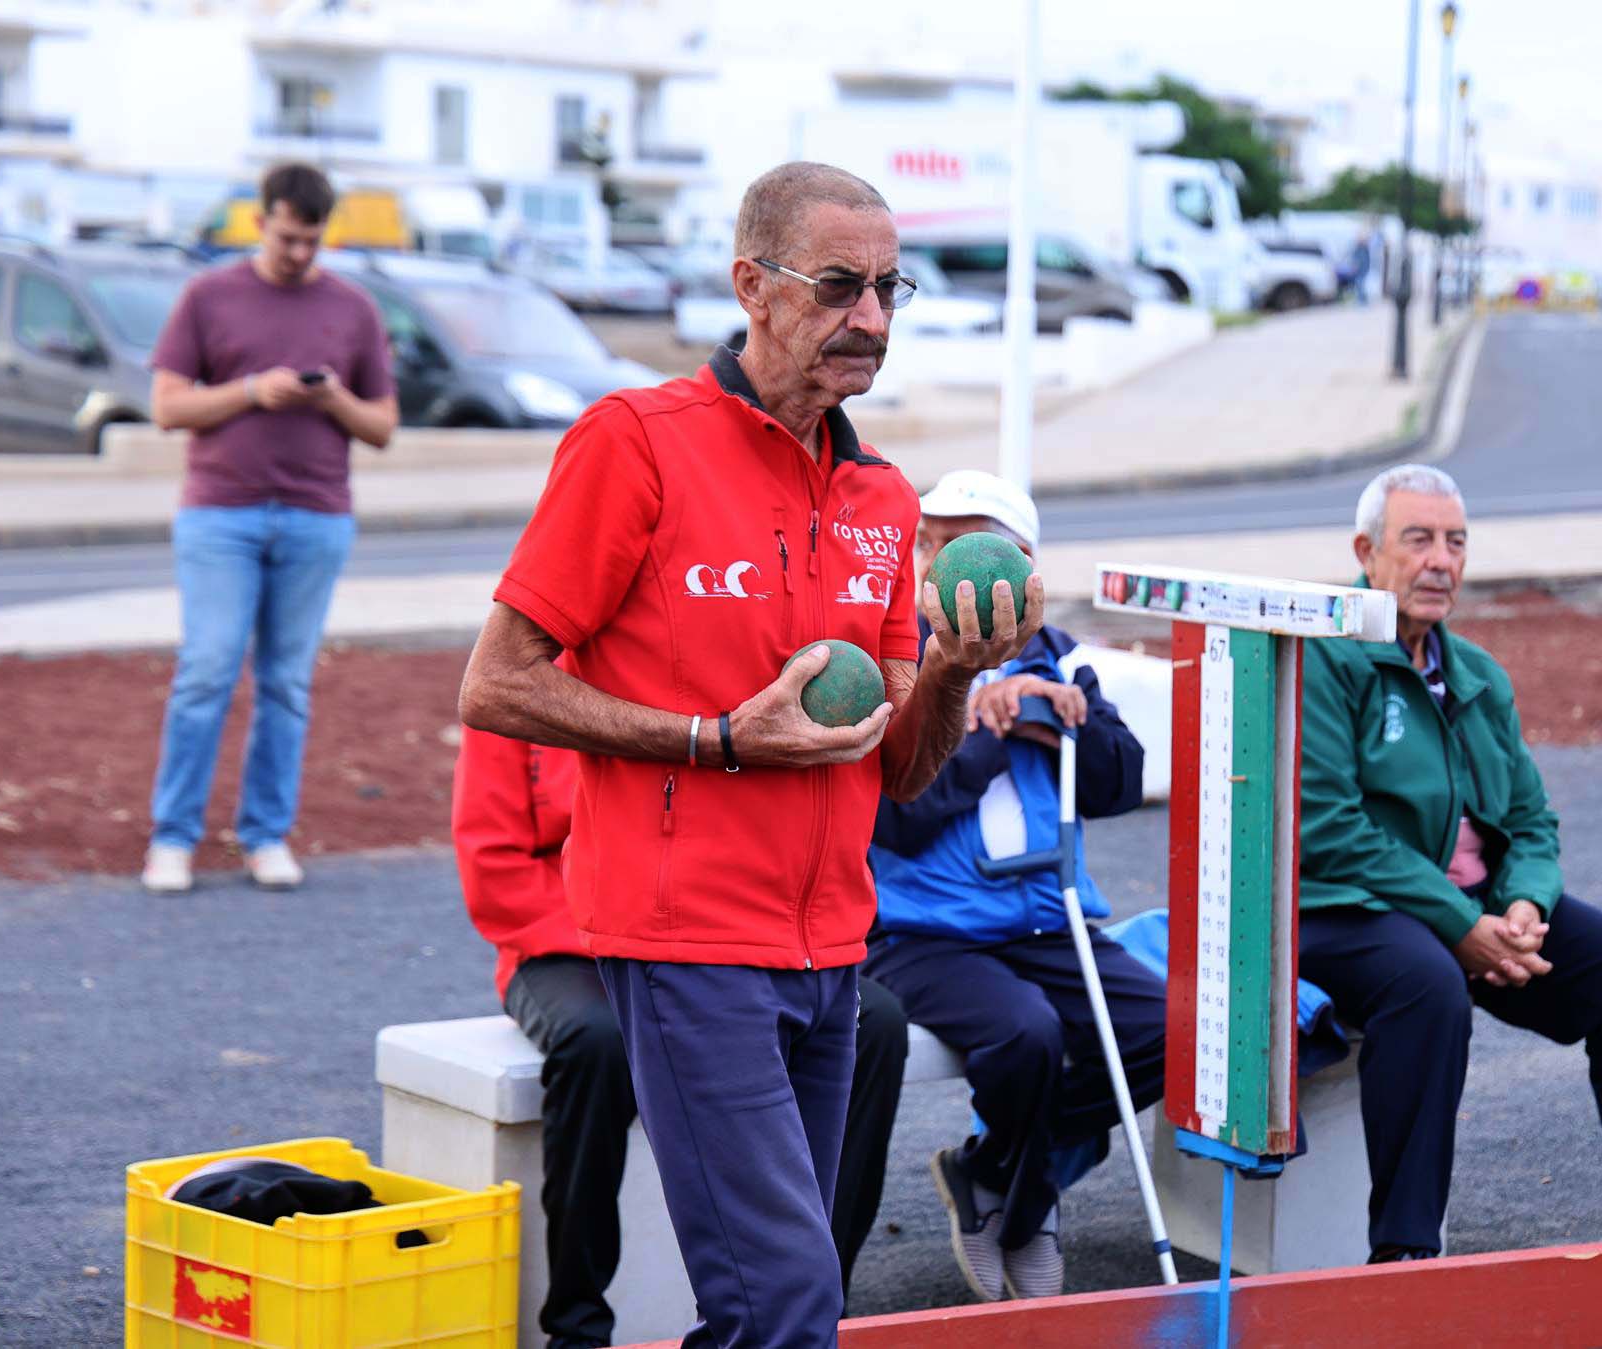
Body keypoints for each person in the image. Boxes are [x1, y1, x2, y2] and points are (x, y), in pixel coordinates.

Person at [457, 162, 1045, 1348]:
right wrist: (713, 739)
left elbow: (897, 772)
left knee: (781, 1301)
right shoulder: (635, 443)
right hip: (684, 945)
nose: (870, 319)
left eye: (889, 288)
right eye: (838, 285)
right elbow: (498, 683)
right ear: (753, 288)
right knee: (781, 1302)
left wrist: (952, 667)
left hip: (832, 948)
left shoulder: (882, 494)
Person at [1298, 464, 1602, 1263]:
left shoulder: (1477, 674)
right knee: (1426, 984)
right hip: (1348, 908)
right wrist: (1459, 925)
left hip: (1475, 907)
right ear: (1367, 551)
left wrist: (1523, 907)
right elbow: (1330, 829)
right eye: (1417, 540)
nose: (1440, 560)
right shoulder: (1327, 655)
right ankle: (1405, 1252)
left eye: (1455, 542)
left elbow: (1529, 819)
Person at [450, 728, 909, 1347]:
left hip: (703, 934)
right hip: (560, 945)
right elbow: (493, 871)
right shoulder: (529, 680)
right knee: (598, 1043)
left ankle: (820, 1301)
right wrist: (619, 935)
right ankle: (576, 1324)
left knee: (874, 1019)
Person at [864, 470, 1163, 1304]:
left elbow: (1117, 783)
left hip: (1044, 920)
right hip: (920, 931)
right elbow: (899, 817)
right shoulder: (893, 650)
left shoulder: (1059, 656)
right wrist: (991, 719)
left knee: (1158, 1029)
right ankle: (1024, 1204)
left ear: (1020, 569)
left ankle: (999, 1177)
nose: (932, 558)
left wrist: (1061, 715)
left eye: (959, 541)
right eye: (926, 539)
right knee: (1028, 1036)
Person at [140, 162, 398, 894]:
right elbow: (165, 406)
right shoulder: (207, 295)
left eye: (312, 241)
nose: (299, 254)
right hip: (220, 513)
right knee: (208, 670)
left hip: (316, 518)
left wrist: (333, 399)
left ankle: (265, 835)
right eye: (288, 238)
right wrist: (254, 390)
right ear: (262, 221)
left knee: (285, 682)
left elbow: (381, 426)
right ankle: (173, 837)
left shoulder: (353, 310)